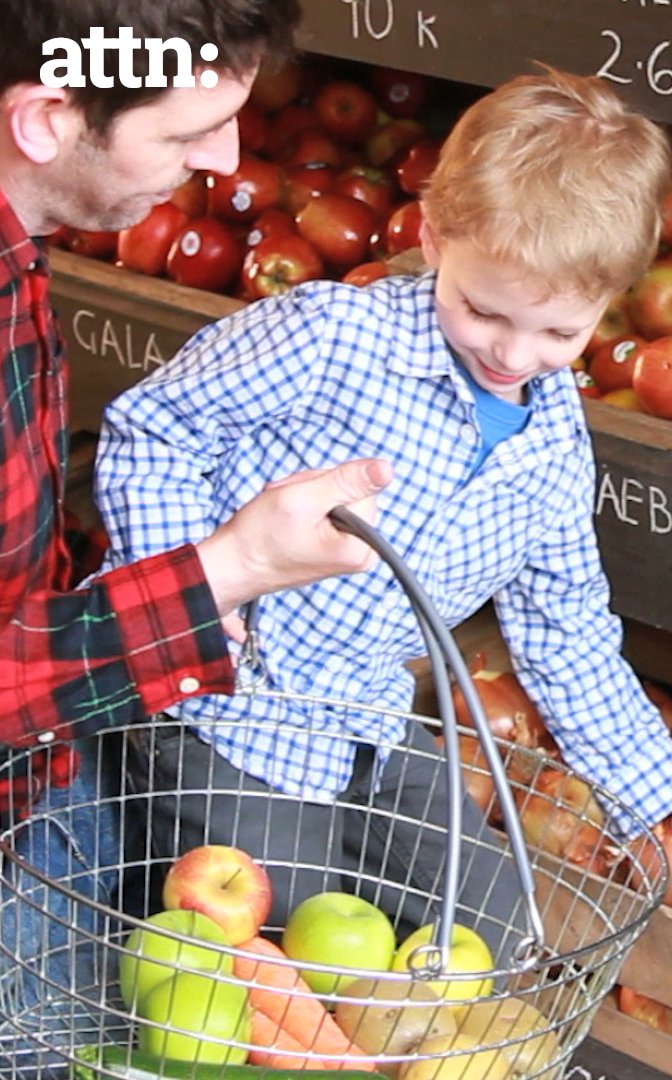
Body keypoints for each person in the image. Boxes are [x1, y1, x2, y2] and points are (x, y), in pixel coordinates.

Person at [95, 66, 672, 970]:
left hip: (364, 716)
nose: (514, 355)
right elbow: (153, 429)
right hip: (220, 711)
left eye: (560, 334)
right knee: (284, 950)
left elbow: (565, 630)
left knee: (497, 933)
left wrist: (654, 787)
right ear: (435, 237)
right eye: (483, 311)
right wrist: (197, 589)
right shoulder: (328, 340)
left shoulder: (552, 441)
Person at [0, 0, 391, 1064]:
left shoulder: (18, 244)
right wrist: (236, 565)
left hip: (45, 783)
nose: (225, 162)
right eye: (183, 132)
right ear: (46, 118)